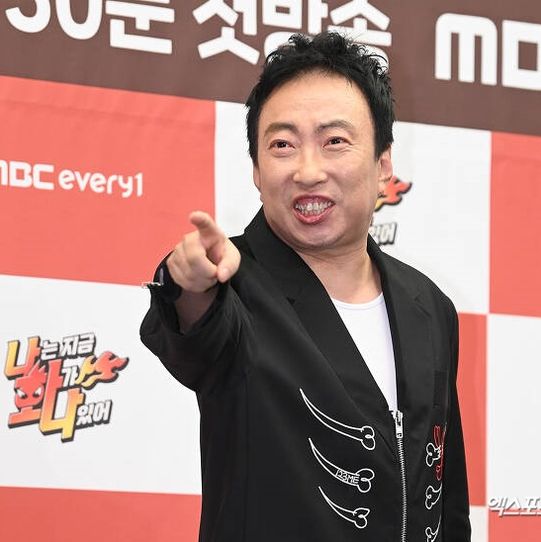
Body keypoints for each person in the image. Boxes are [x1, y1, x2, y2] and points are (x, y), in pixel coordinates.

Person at [141, 32, 471, 542]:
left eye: (334, 141)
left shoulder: (428, 304)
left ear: (383, 164)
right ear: (256, 169)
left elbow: (447, 493)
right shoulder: (234, 282)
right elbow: (194, 325)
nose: (307, 171)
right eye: (282, 145)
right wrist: (191, 284)